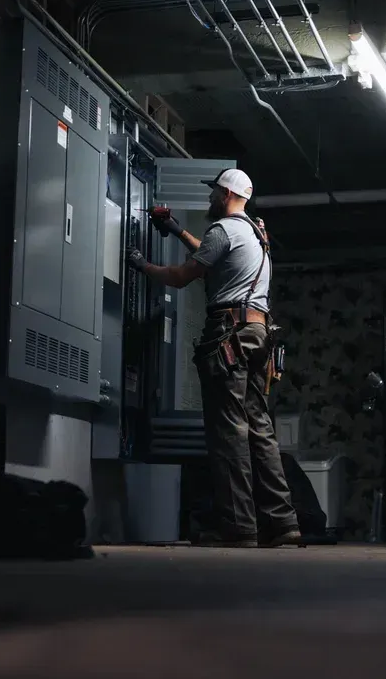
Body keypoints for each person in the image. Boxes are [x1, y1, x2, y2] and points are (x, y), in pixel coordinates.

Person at [127, 168, 304, 548]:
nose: (209, 199)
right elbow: (213, 256)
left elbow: (182, 277)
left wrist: (142, 266)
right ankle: (282, 523)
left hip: (228, 333)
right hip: (257, 334)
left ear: (225, 194)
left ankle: (239, 527)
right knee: (259, 429)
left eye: (213, 193)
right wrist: (177, 230)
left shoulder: (222, 230)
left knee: (229, 432)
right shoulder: (254, 233)